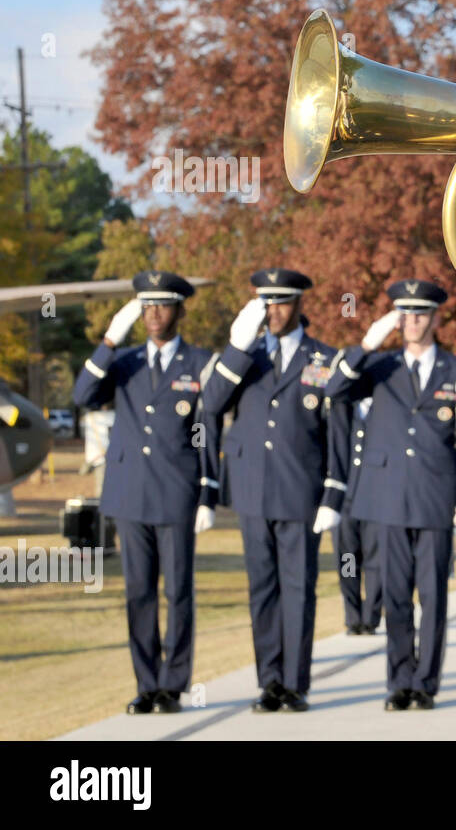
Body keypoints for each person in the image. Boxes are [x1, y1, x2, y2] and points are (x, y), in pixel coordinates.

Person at [324, 279, 456, 711]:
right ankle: (399, 683)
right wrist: (366, 344)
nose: (412, 321)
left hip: (433, 498)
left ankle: (425, 684)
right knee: (394, 597)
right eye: (405, 314)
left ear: (435, 317)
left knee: (432, 597)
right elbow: (333, 391)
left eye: (420, 313)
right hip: (386, 499)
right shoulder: (379, 367)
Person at [73, 271, 219, 715]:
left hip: (176, 493)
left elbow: (205, 430)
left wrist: (208, 491)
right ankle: (146, 684)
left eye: (162, 304)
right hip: (130, 493)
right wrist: (109, 340)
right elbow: (83, 394)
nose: (153, 313)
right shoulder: (126, 361)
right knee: (138, 592)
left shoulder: (199, 362)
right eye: (145, 306)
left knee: (178, 592)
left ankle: (172, 685)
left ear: (179, 309)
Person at [202, 268, 347, 713]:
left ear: (300, 303)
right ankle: (269, 682)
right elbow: (210, 404)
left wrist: (334, 494)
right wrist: (237, 347)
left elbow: (337, 432)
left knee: (298, 589)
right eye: (266, 303)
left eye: (282, 302)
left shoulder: (323, 358)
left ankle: (295, 684)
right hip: (251, 493)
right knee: (261, 589)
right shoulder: (244, 356)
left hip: (301, 494)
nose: (274, 312)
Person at [337, 396, 382, 635]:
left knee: (375, 560)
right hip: (345, 499)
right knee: (348, 560)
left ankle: (371, 617)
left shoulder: (385, 408)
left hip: (376, 501)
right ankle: (352, 615)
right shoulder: (345, 407)